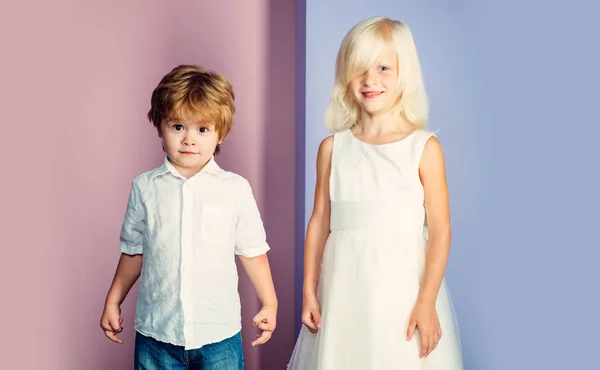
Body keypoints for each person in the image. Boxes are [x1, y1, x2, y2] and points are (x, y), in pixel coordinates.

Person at [287, 17, 463, 369]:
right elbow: (320, 221)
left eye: (383, 67)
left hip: (402, 292)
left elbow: (441, 229)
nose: (370, 80)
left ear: (404, 73)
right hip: (343, 291)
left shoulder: (423, 147)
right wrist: (309, 289)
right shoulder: (332, 148)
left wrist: (426, 302)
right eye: (360, 69)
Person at [99, 65, 277, 370]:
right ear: (160, 127)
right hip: (157, 336)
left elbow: (252, 251)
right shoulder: (144, 188)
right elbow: (133, 251)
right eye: (178, 126)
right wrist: (113, 300)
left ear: (221, 132)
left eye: (202, 129)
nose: (189, 140)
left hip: (218, 336)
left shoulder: (235, 189)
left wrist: (269, 303)